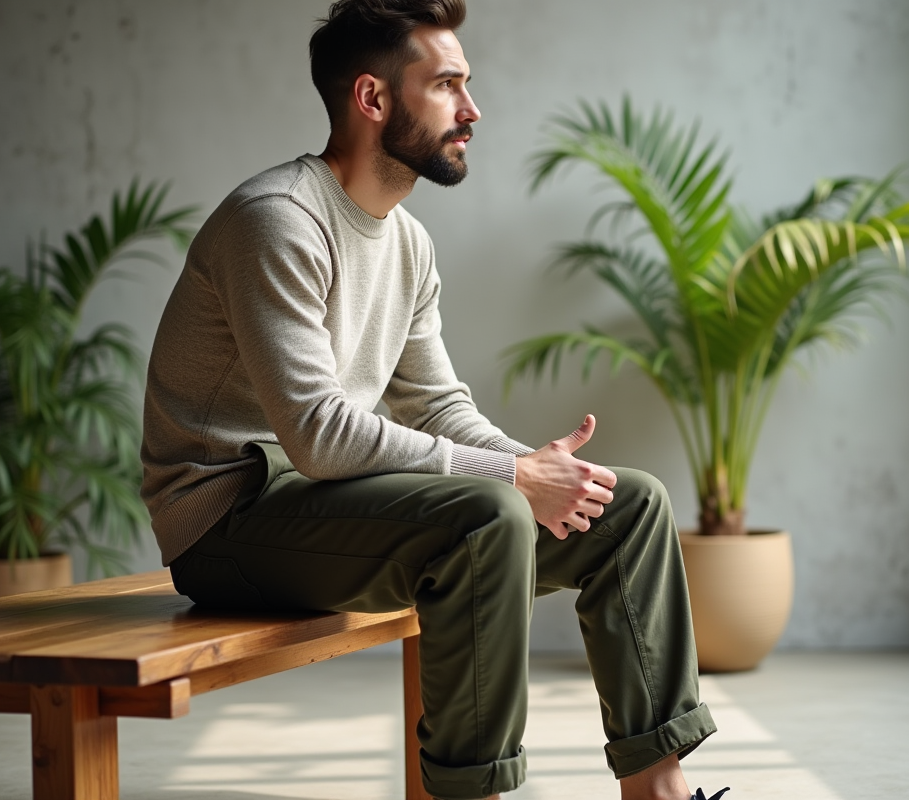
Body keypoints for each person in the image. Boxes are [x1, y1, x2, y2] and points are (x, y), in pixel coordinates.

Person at [140, 2, 722, 798]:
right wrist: (511, 481)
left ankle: (660, 790)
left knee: (631, 507)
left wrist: (534, 464)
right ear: (373, 99)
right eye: (447, 85)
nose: (472, 109)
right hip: (229, 518)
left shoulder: (408, 242)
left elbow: (438, 406)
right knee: (486, 519)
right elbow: (318, 435)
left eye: (467, 84)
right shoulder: (276, 221)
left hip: (328, 502)